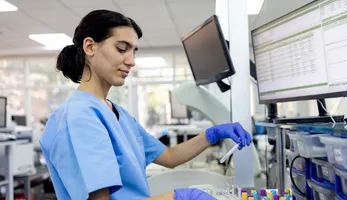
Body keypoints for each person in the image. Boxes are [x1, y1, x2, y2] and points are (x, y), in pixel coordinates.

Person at [39, 10, 252, 200]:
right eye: (122, 49)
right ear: (89, 46)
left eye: (134, 52)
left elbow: (169, 157)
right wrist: (179, 197)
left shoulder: (115, 112)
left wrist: (212, 134)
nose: (131, 61)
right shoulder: (80, 117)